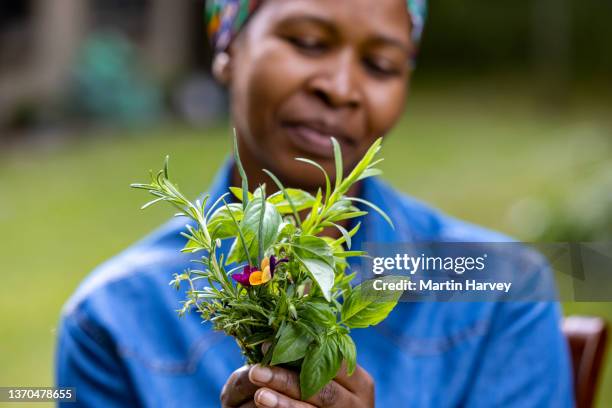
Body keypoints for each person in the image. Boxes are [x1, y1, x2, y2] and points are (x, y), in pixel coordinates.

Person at [55, 0, 574, 407]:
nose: (342, 87)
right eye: (306, 42)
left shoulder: (502, 289)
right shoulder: (112, 320)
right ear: (227, 45)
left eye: (380, 64)